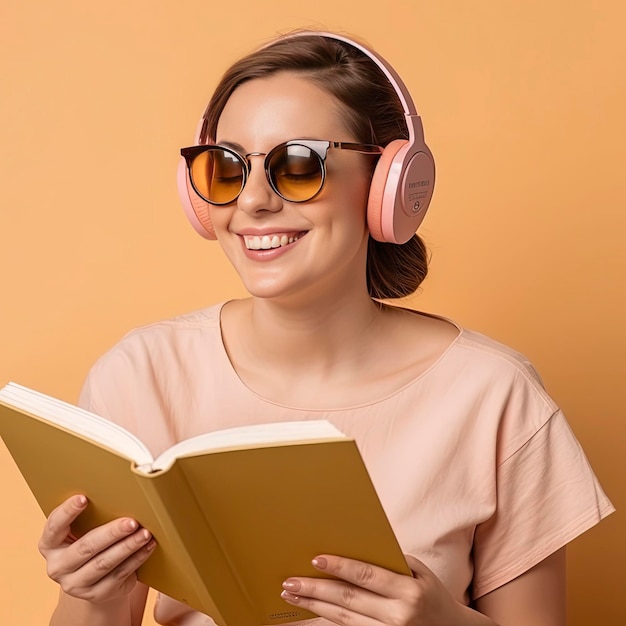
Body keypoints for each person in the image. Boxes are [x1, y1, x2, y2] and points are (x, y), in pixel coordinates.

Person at [39, 30, 614, 626]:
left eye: (297, 165)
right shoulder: (141, 375)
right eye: (227, 167)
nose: (253, 202)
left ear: (390, 185)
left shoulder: (495, 395)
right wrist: (94, 594)